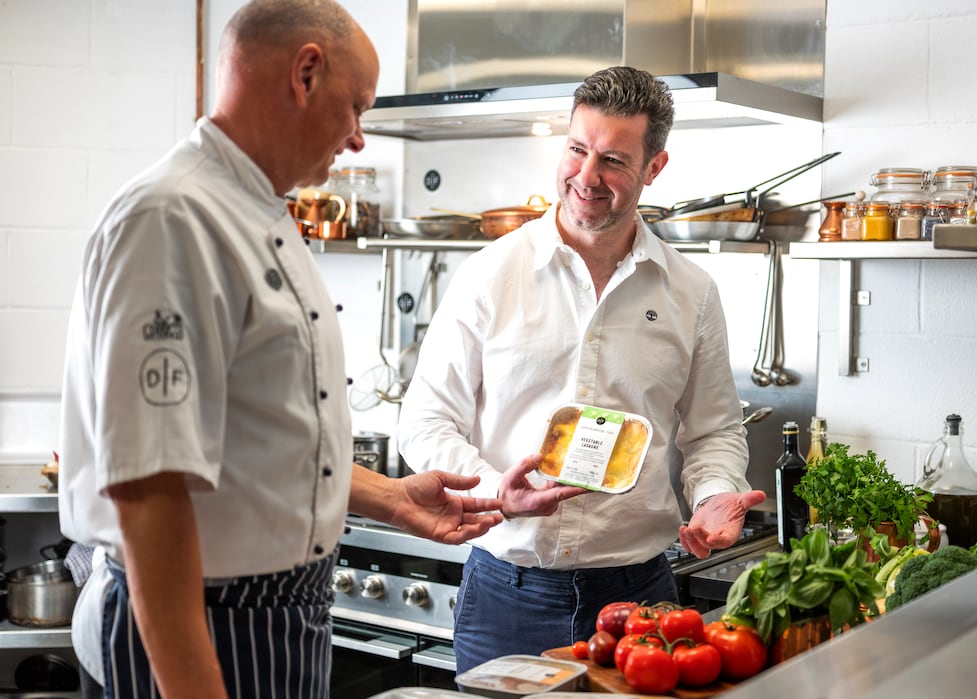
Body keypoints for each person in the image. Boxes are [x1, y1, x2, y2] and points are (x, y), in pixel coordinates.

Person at [57, 2, 503, 697]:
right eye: (356, 107)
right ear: (306, 73)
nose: (357, 137)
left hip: (275, 615)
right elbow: (149, 492)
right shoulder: (173, 218)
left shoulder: (262, 215)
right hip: (206, 620)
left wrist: (391, 497)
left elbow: (259, 440)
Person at [397, 65, 767, 672]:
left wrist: (713, 494)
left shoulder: (691, 292)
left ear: (654, 168)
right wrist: (496, 491)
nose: (586, 177)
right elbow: (425, 421)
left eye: (613, 161)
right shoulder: (490, 274)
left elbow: (714, 431)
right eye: (576, 149)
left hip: (641, 599)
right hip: (506, 593)